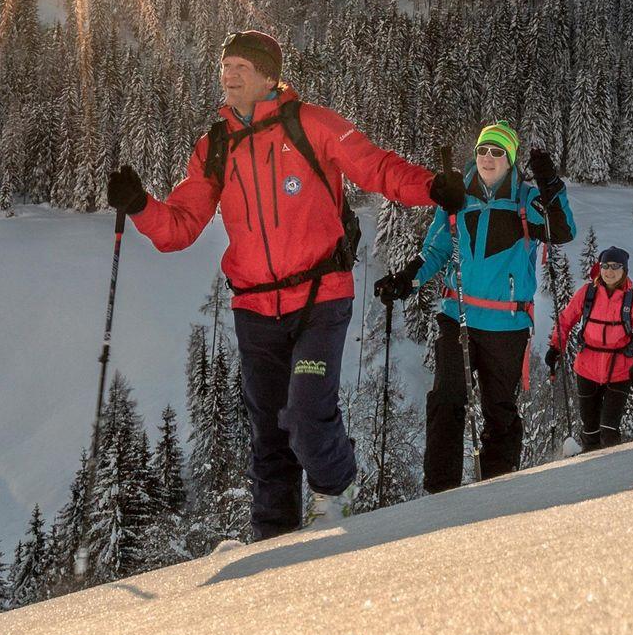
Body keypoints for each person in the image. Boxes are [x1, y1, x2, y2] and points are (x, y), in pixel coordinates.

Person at [105, 30, 464, 540]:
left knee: (306, 413)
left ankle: (336, 491)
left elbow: (376, 167)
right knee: (269, 438)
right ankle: (273, 544)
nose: (229, 75)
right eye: (225, 65)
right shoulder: (215, 147)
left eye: (241, 67)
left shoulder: (312, 124)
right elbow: (180, 227)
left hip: (320, 297)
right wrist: (141, 205)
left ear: (269, 76)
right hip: (254, 309)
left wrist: (431, 187)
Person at [372, 122, 574, 492]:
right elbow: (436, 249)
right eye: (483, 150)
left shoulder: (526, 199)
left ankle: (496, 493)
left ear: (510, 159)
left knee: (499, 411)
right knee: (446, 399)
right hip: (458, 316)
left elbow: (561, 231)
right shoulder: (457, 196)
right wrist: (407, 279)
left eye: (497, 152)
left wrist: (551, 185)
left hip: (507, 324)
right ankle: (440, 492)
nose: (488, 158)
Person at [546, 245, 633, 450]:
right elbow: (565, 321)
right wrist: (556, 346)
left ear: (624, 270)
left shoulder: (631, 300)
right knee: (590, 431)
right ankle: (591, 467)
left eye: (615, 266)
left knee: (609, 431)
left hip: (619, 371)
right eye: (605, 265)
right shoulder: (587, 293)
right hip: (587, 369)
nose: (609, 271)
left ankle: (613, 467)